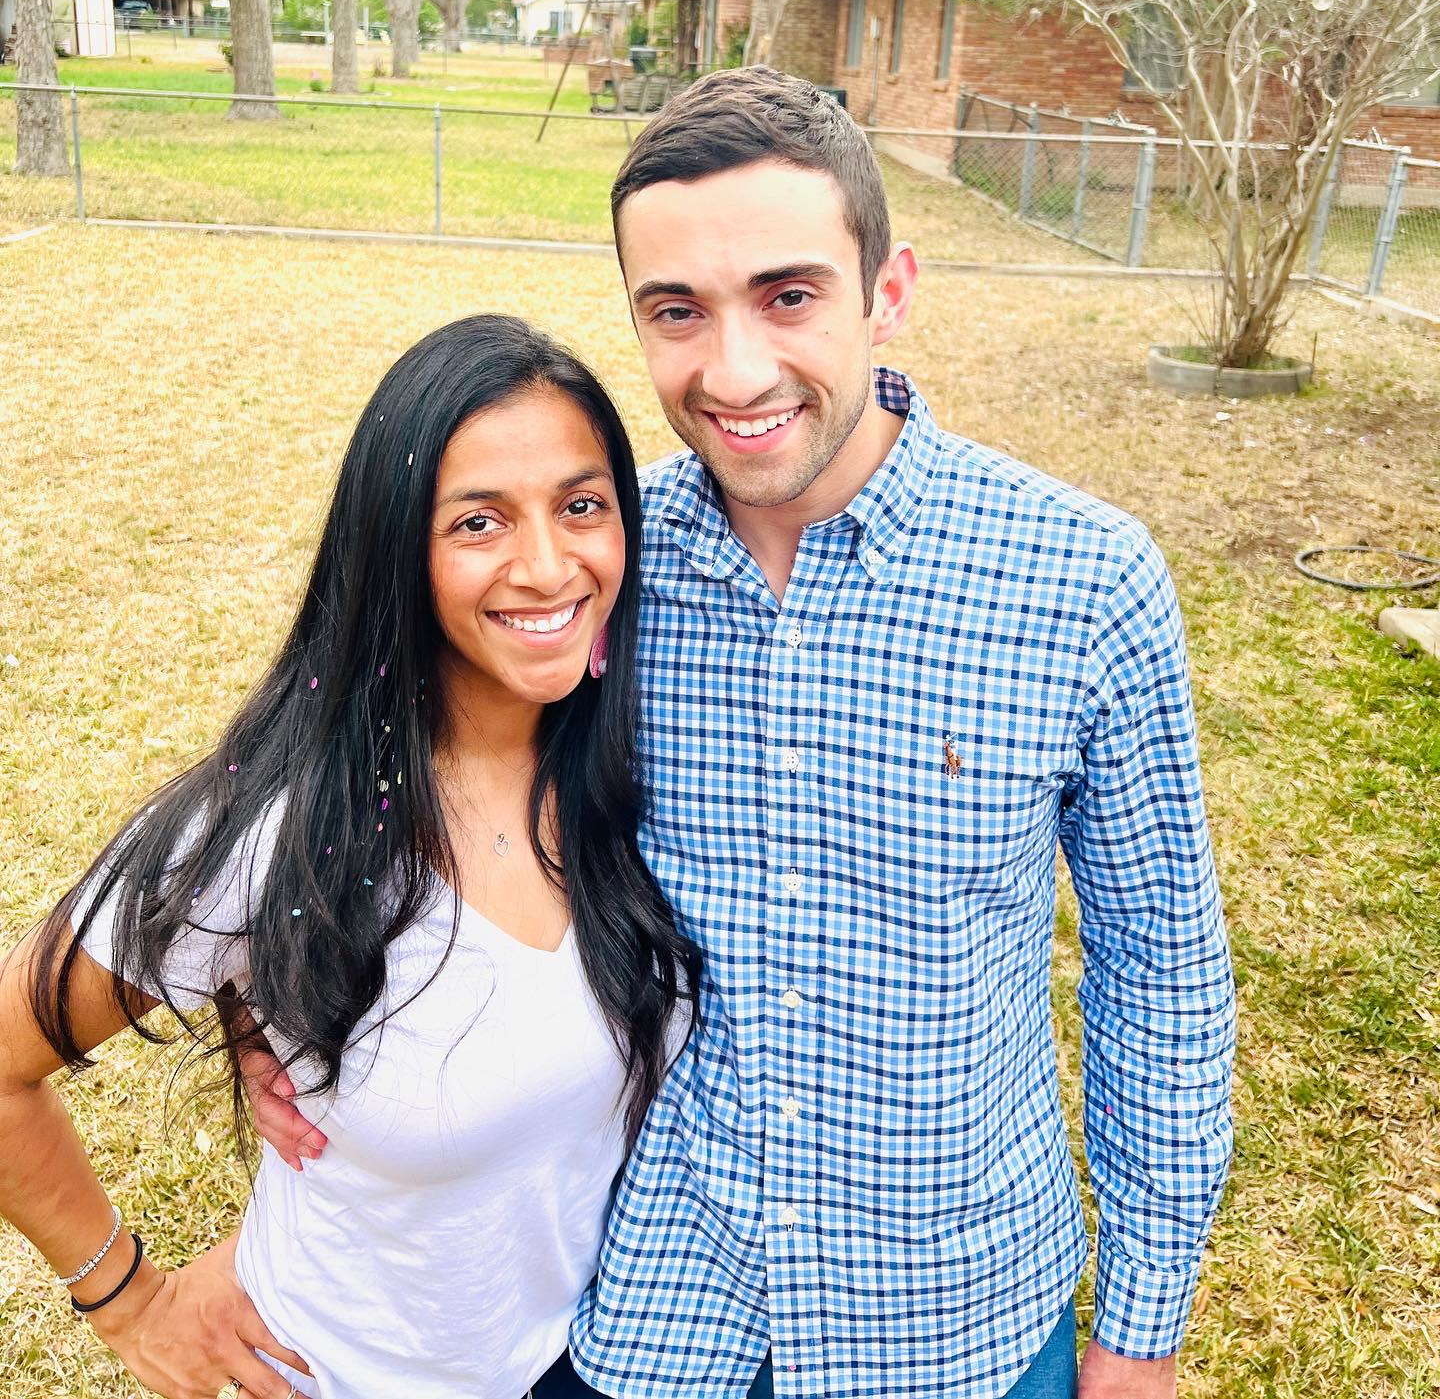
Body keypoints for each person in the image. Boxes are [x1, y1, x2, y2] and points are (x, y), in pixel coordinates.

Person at [253, 68, 1238, 1399]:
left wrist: (1142, 1327)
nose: (734, 370)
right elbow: (377, 780)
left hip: (955, 1317)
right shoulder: (597, 569)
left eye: (788, 295)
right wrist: (262, 1008)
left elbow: (1163, 978)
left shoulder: (1085, 583)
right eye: (677, 311)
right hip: (658, 1298)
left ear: (888, 292)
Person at [0, 316, 701, 1399]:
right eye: (478, 520)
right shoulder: (273, 830)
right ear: (394, 550)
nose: (550, 563)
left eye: (581, 504)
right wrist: (128, 1297)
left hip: (603, 1360)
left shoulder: (645, 762)